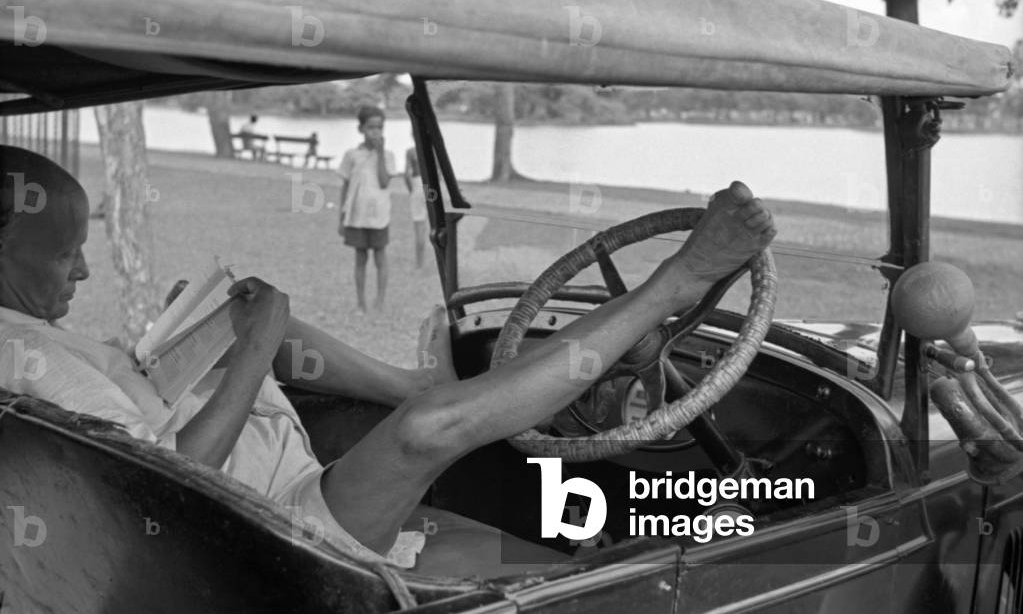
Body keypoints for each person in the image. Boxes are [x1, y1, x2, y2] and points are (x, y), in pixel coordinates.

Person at [0, 145, 776, 576]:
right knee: (425, 429)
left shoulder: (27, 337)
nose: (84, 272)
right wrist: (258, 347)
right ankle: (675, 283)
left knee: (240, 312)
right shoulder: (21, 353)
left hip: (262, 482)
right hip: (266, 532)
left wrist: (207, 340)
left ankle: (419, 381)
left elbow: (127, 431)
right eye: (66, 253)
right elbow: (168, 484)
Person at [338, 106, 397, 311]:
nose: (375, 132)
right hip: (357, 216)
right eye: (371, 127)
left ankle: (380, 301)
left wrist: (379, 153)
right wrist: (341, 218)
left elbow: (384, 181)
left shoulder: (388, 155)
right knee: (360, 258)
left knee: (380, 257)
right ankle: (361, 302)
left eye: (379, 128)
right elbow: (345, 187)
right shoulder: (352, 155)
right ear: (361, 128)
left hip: (379, 216)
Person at [404, 143, 428, 269]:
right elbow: (438, 173)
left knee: (419, 226)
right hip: (429, 186)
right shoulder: (432, 150)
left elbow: (406, 175)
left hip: (417, 184)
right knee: (430, 224)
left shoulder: (411, 151)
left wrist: (411, 190)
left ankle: (420, 263)